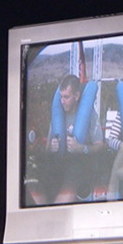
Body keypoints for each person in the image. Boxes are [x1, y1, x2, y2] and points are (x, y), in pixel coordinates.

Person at [45, 74, 104, 203]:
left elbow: (100, 145)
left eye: (66, 97)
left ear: (76, 96)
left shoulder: (90, 115)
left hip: (80, 164)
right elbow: (47, 147)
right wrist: (51, 147)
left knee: (73, 173)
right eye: (61, 97)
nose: (62, 101)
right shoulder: (58, 116)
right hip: (58, 163)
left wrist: (82, 148)